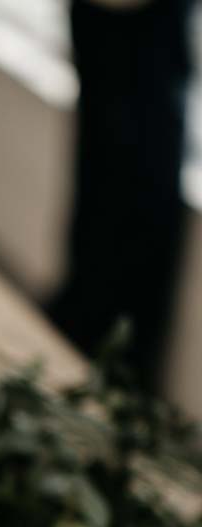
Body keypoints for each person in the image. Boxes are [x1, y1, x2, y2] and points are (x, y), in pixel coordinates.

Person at [48, 0, 196, 390]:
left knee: (141, 174)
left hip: (146, 20)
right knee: (99, 164)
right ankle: (83, 321)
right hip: (107, 16)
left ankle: (122, 368)